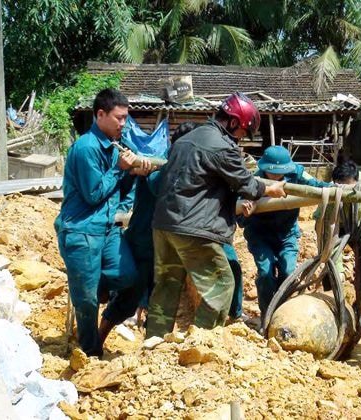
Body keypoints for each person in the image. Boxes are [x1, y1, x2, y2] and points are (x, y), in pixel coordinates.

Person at [145, 93, 286, 338]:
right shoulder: (222, 147)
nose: (242, 139)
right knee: (221, 286)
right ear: (232, 123)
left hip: (163, 225)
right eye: (243, 132)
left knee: (166, 286)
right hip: (193, 228)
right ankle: (199, 344)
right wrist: (269, 189)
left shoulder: (185, 140)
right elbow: (247, 185)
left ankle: (154, 343)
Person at [55, 88, 149, 357]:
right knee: (86, 302)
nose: (124, 124)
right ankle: (90, 352)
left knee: (128, 275)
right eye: (119, 118)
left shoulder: (113, 147)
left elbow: (117, 191)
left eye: (125, 118)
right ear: (100, 115)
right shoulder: (86, 148)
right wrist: (120, 168)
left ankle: (93, 284)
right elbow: (94, 193)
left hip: (106, 230)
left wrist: (131, 173)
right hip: (81, 231)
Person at [240, 145, 331, 318]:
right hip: (260, 235)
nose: (276, 176)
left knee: (288, 272)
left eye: (280, 172)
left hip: (286, 233)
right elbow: (239, 216)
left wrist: (334, 187)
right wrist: (247, 213)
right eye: (272, 172)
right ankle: (267, 315)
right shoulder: (252, 181)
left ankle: (283, 313)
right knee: (266, 273)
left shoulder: (297, 173)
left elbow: (317, 186)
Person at [313, 160, 361, 278]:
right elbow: (329, 238)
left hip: (357, 223)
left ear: (357, 181)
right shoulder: (330, 201)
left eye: (348, 186)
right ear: (334, 182)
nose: (344, 190)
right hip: (333, 224)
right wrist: (339, 270)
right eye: (340, 186)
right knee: (330, 260)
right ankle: (331, 289)